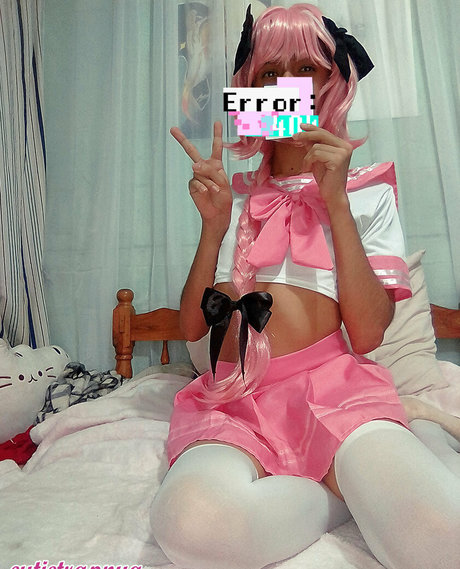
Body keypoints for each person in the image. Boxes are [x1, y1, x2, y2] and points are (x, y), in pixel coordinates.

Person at [151, 5, 460, 569]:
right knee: (190, 529)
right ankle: (331, 498)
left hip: (334, 393)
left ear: (330, 84)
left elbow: (368, 335)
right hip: (234, 400)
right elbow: (193, 328)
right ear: (250, 88)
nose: (285, 84)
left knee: (442, 538)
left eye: (305, 69)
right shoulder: (231, 196)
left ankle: (342, 476)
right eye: (270, 72)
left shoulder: (367, 193)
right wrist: (213, 228)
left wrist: (336, 201)